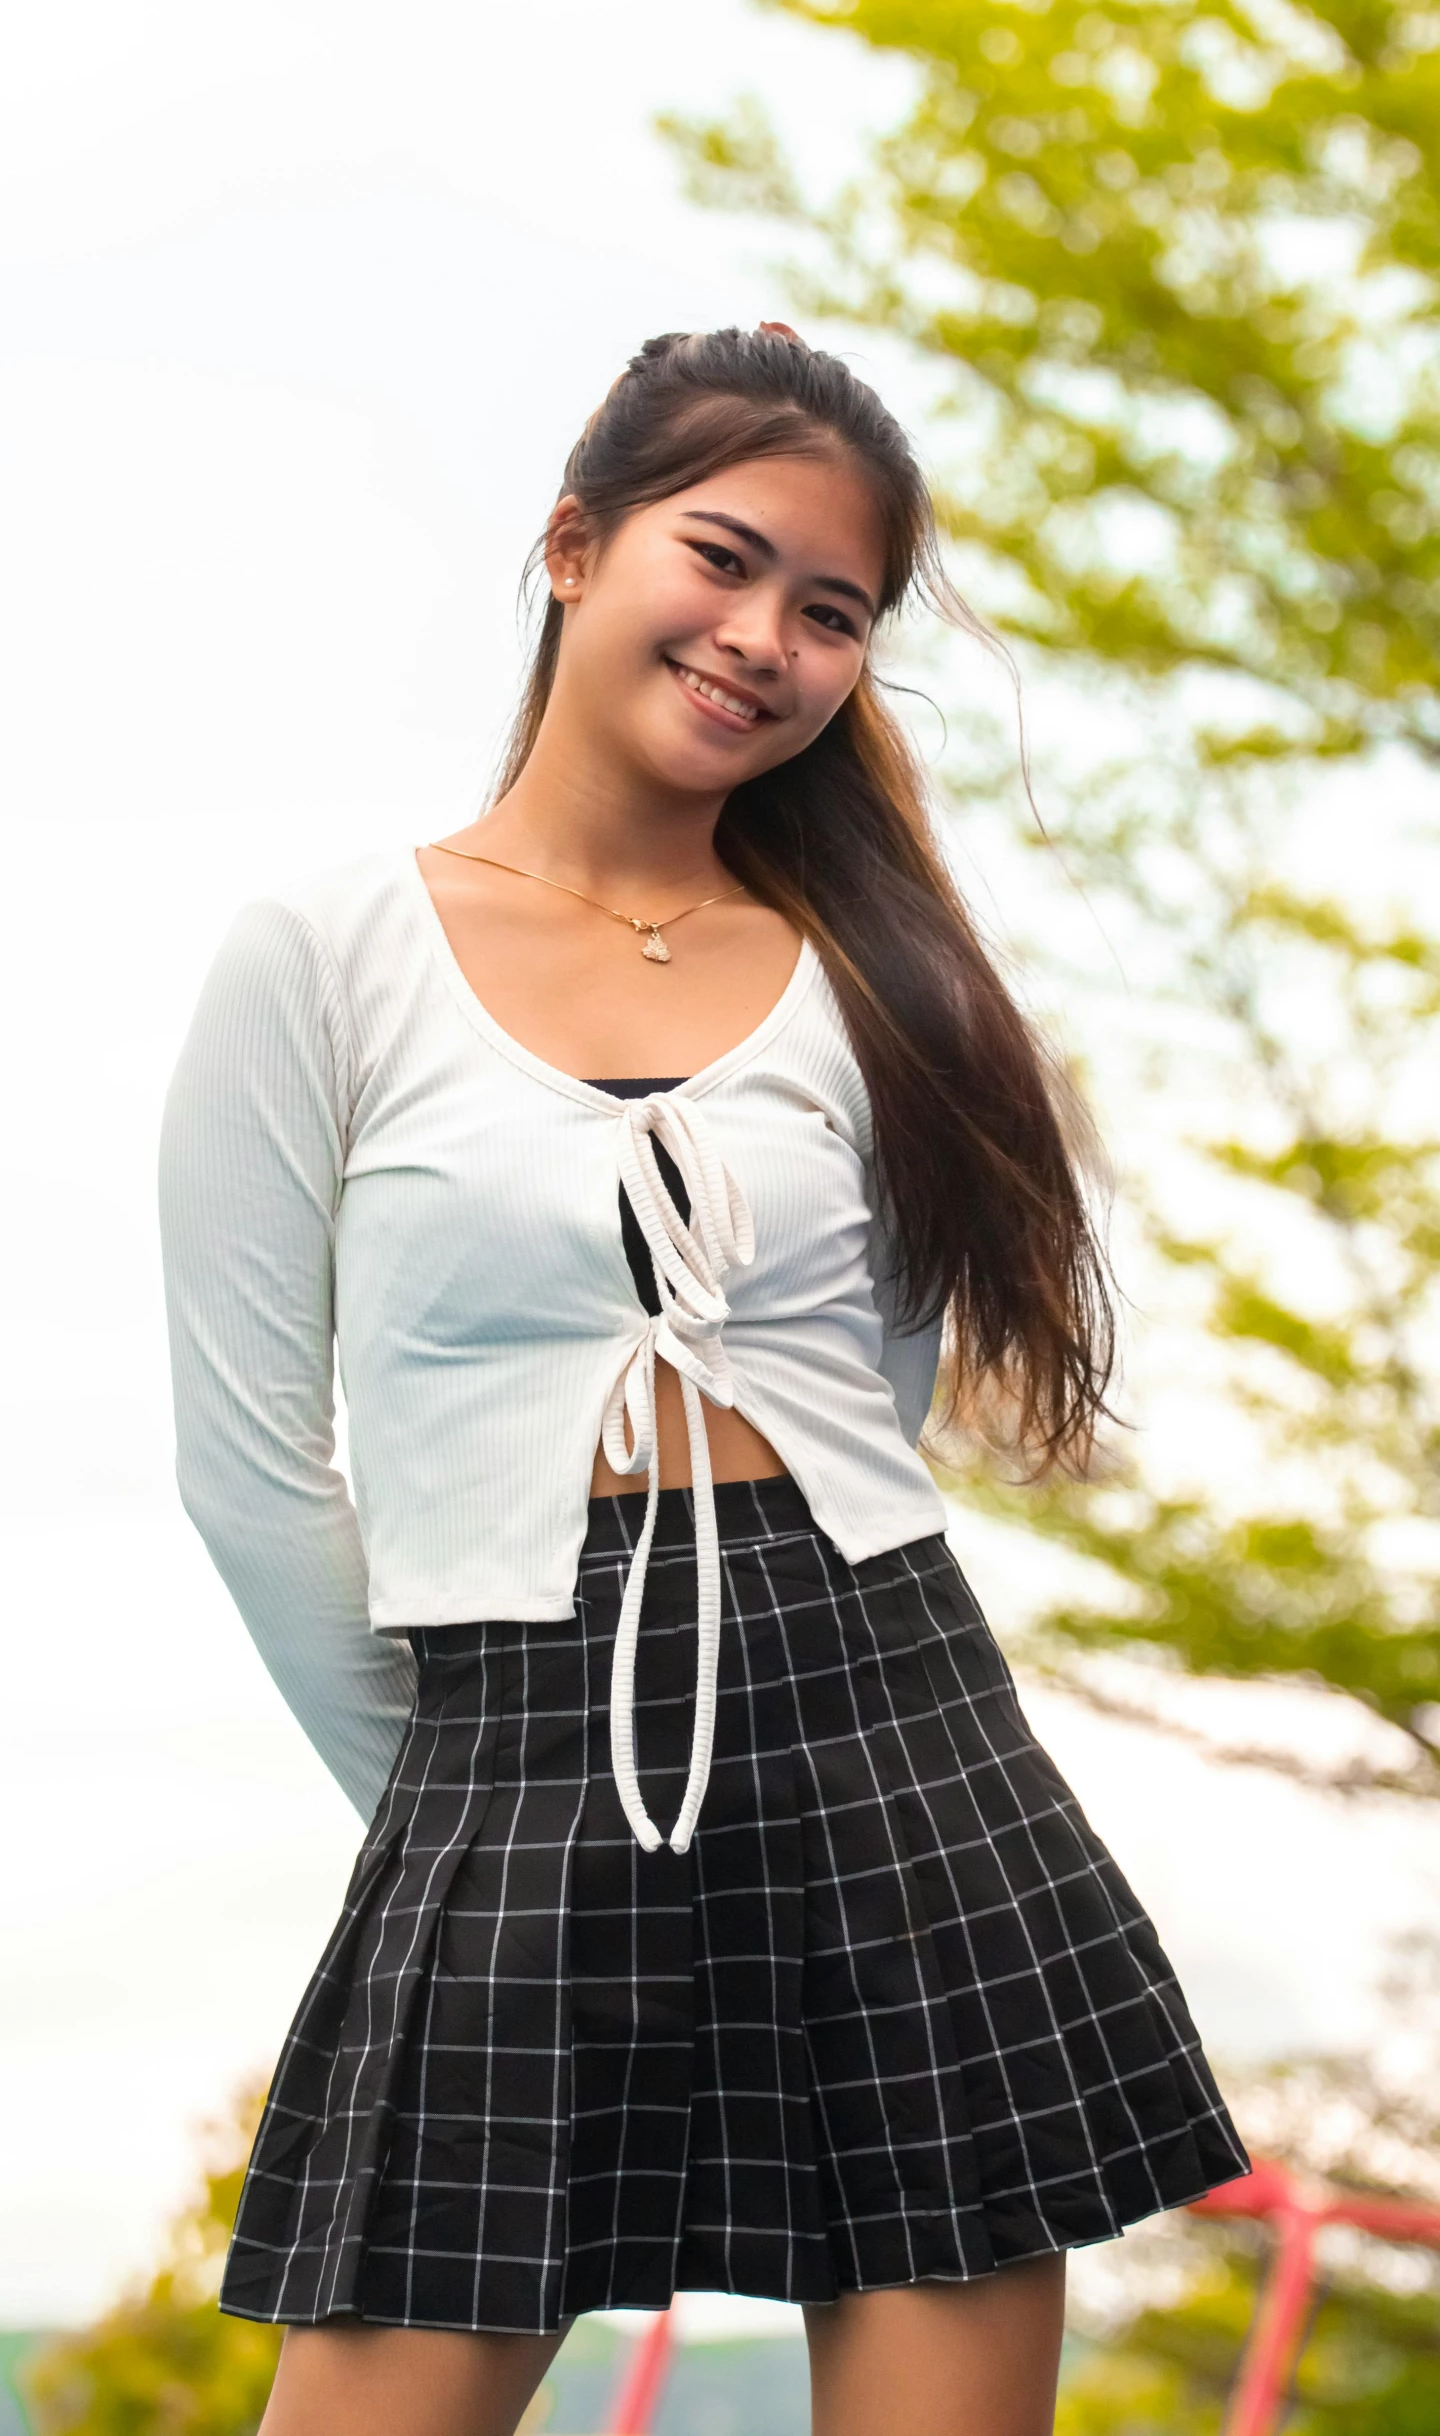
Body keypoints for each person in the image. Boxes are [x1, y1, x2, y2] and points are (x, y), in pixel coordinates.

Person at [158, 324, 1247, 2436]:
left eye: (831, 612)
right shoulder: (324, 951)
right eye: (724, 559)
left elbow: (881, 1385)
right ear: (576, 542)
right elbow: (246, 1468)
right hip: (516, 1736)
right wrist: (453, 1806)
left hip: (890, 1719)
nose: (766, 638)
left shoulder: (878, 979)